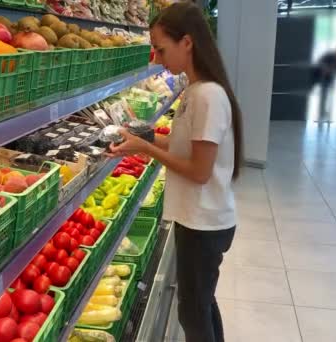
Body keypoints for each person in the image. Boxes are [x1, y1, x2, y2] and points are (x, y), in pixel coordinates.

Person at [108, 2, 242, 341]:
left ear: (187, 42)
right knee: (202, 304)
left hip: (204, 223)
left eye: (161, 48)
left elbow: (199, 170)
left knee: (193, 313)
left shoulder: (208, 96)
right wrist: (143, 137)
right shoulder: (196, 90)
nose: (156, 57)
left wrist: (146, 149)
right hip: (198, 218)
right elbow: (185, 145)